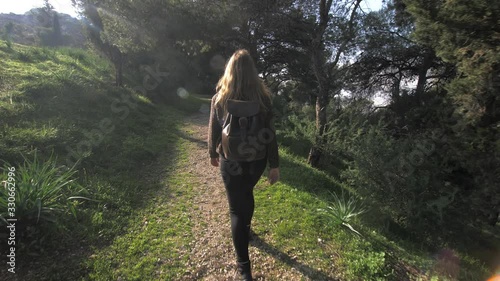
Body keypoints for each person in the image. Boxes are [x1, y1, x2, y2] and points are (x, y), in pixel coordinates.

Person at [208, 49, 280, 280]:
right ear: (253, 73)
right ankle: (246, 232)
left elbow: (214, 130)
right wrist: (274, 164)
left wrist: (212, 152)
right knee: (246, 194)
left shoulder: (220, 98)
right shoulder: (264, 99)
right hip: (256, 160)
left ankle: (243, 267)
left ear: (230, 71)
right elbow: (270, 134)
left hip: (230, 161)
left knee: (236, 209)